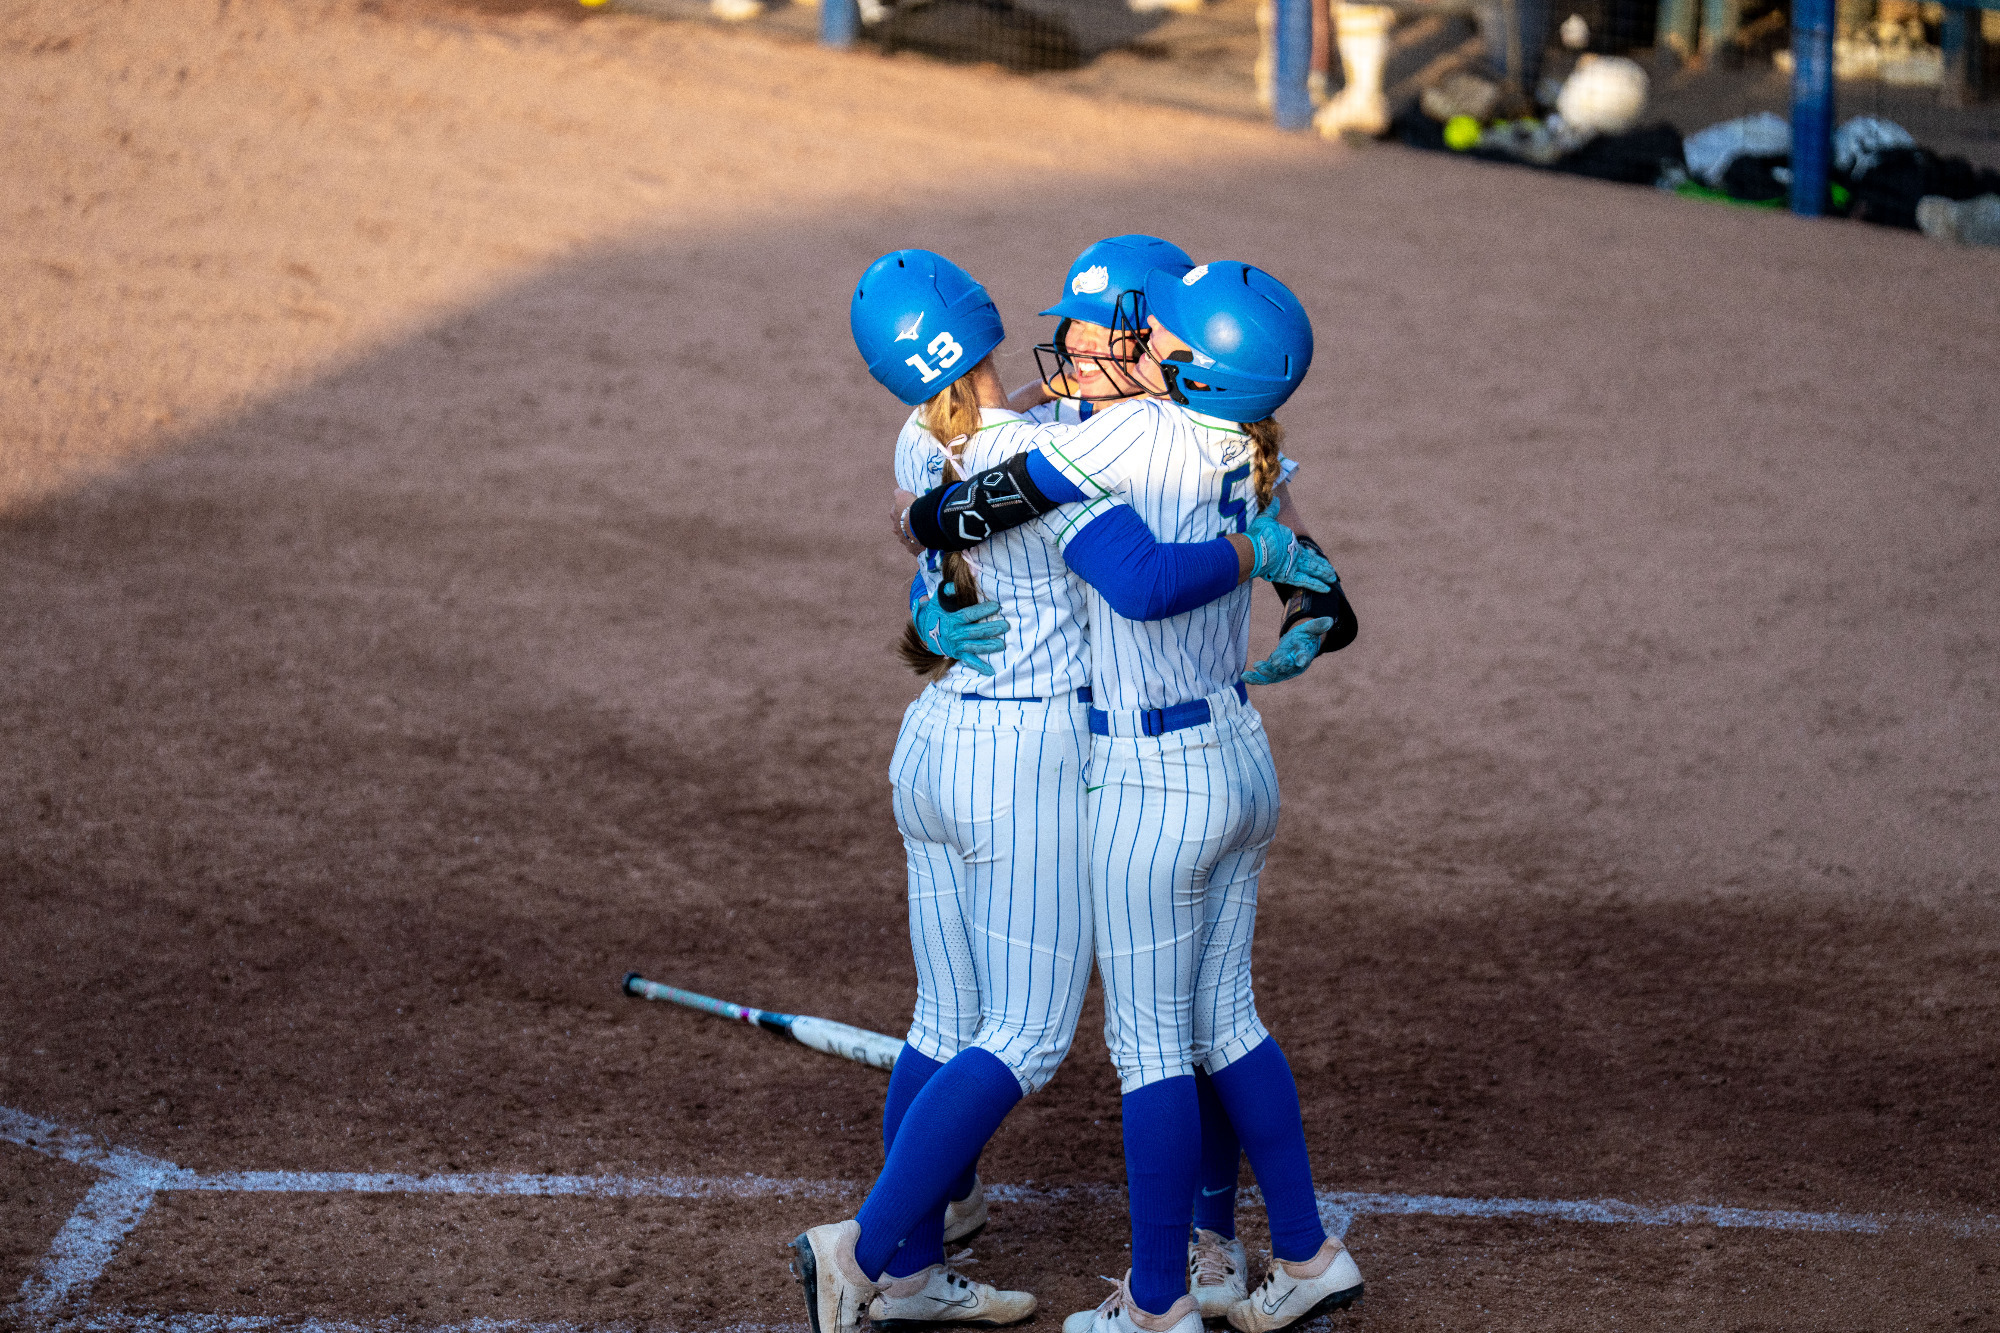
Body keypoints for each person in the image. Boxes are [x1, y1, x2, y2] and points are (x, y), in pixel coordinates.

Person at [790, 250, 1337, 1333]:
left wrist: (917, 578)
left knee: (947, 1019)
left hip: (945, 737)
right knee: (1065, 1032)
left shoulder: (935, 433)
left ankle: (904, 1264)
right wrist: (1279, 557)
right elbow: (1137, 564)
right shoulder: (1160, 443)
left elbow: (956, 506)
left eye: (1104, 329)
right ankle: (875, 1252)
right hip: (1058, 759)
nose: (1080, 346)